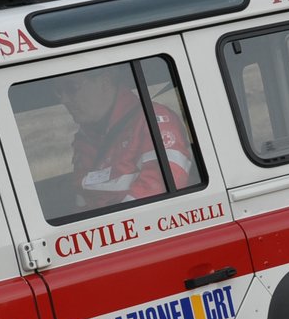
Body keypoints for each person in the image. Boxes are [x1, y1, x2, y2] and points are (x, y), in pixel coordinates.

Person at [57, 65, 195, 212]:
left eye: (71, 87)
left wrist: (112, 224)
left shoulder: (152, 121)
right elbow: (83, 200)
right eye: (58, 92)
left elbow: (166, 182)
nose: (64, 99)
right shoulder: (85, 140)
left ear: (104, 81)